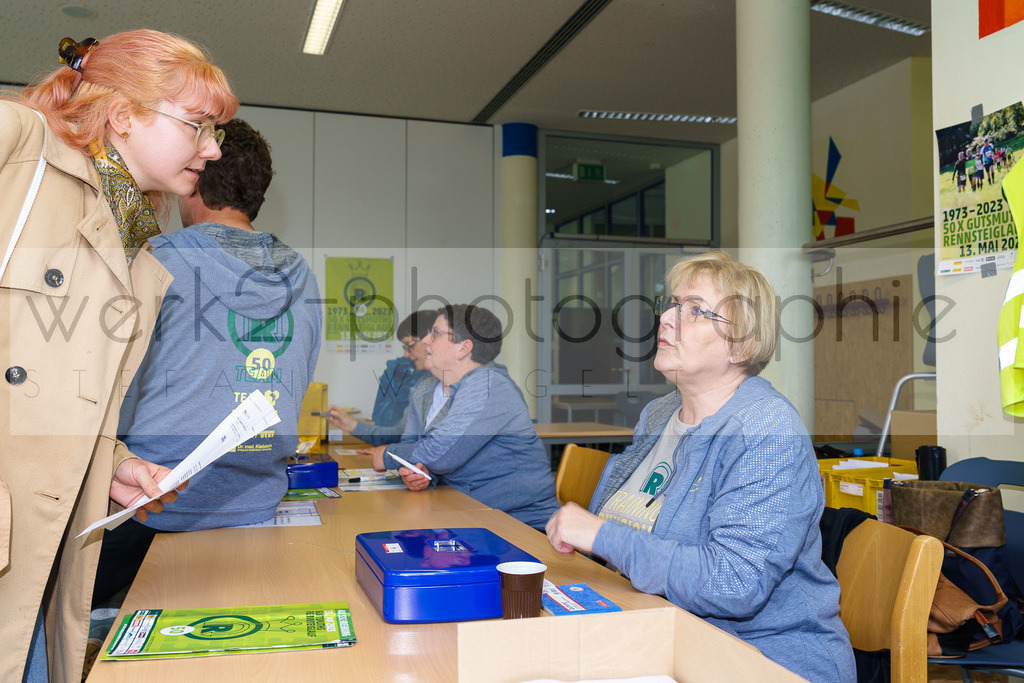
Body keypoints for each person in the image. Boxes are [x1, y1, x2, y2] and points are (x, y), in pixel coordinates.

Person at [0, 30, 238, 682]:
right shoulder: (18, 148)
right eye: (199, 126)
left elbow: (52, 394)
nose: (213, 149)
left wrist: (114, 462)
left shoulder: (139, 249)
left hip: (45, 555)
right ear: (125, 115)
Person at [544, 252, 855, 683]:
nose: (667, 320)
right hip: (659, 636)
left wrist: (601, 535)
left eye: (693, 310)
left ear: (742, 343)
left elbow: (733, 583)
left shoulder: (766, 431)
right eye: (670, 304)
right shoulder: (658, 415)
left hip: (763, 659)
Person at [93, 118, 322, 604]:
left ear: (193, 179)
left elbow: (110, 391)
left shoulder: (156, 260)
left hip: (148, 508)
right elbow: (295, 379)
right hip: (258, 509)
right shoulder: (303, 276)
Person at [373, 304, 559, 530]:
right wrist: (419, 473)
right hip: (473, 515)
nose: (425, 342)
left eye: (435, 334)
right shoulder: (447, 388)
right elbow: (417, 448)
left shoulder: (488, 384)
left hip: (520, 525)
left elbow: (440, 452)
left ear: (463, 348)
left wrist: (387, 455)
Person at [327, 309, 434, 446]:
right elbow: (400, 433)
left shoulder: (452, 385)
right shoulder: (423, 383)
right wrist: (352, 424)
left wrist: (388, 456)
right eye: (404, 347)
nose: (407, 354)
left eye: (410, 346)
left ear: (430, 340)